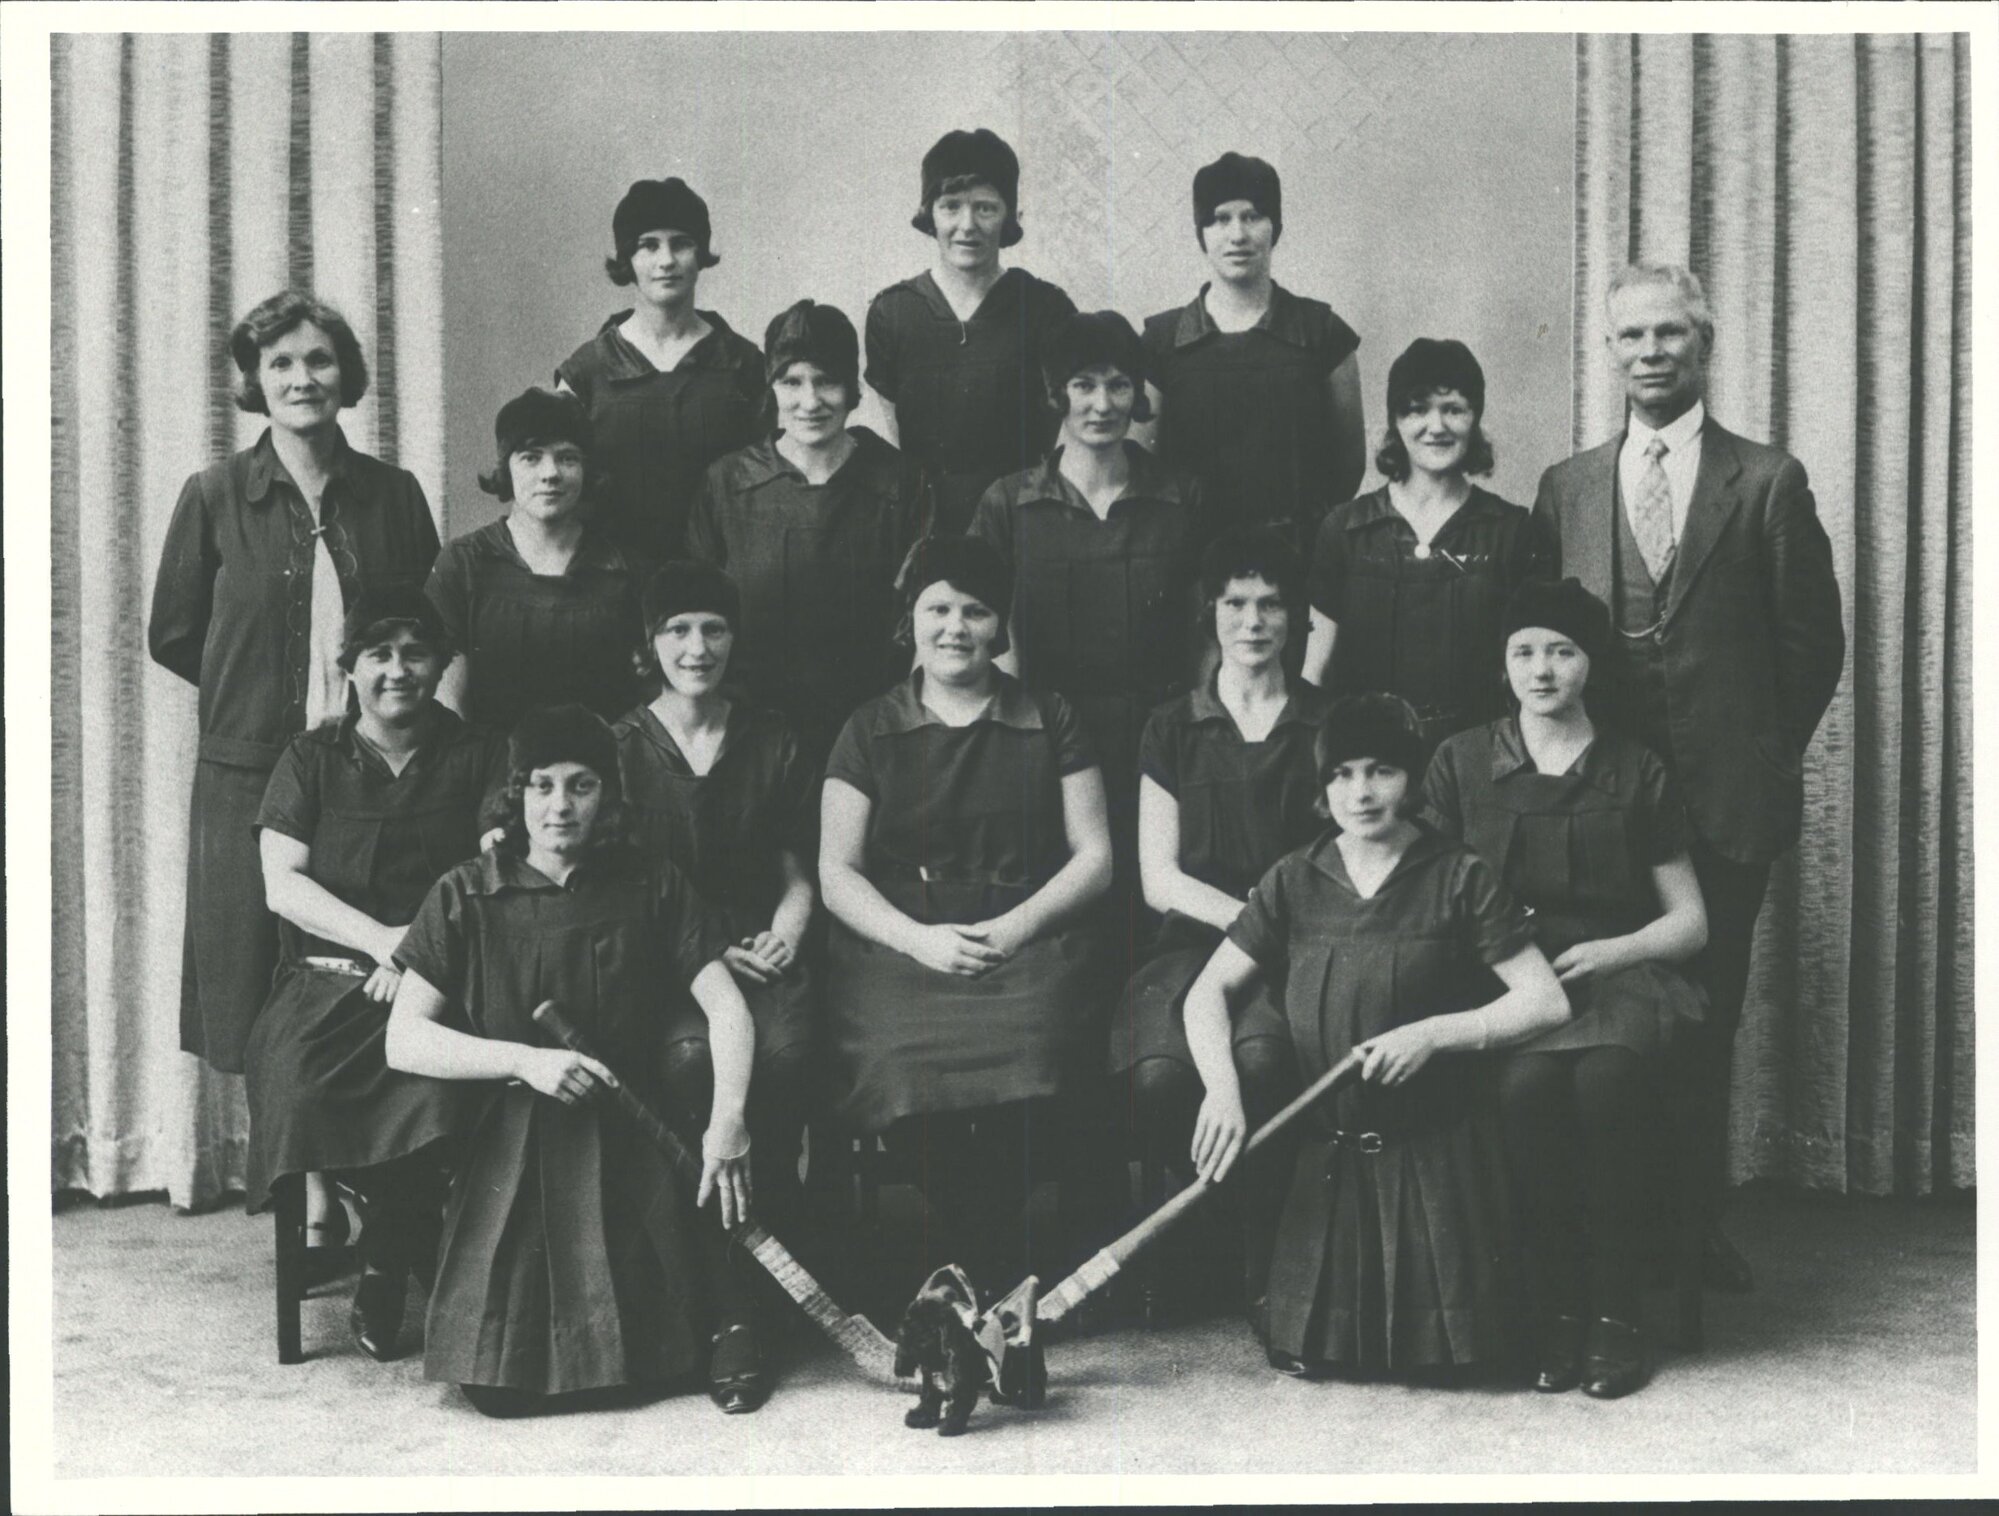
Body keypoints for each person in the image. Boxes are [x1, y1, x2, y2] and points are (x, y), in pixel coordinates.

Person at [1530, 263, 1844, 1291]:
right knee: (1602, 1017)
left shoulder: (1766, 481)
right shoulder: (1567, 487)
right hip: (1595, 805)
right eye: (1631, 336)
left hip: (1722, 807)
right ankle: (1595, 1235)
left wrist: (1753, 754)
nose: (1650, 352)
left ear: (1703, 346)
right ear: (1609, 352)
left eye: (1670, 333)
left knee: (1702, 1019)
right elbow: (1540, 641)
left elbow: (1813, 646)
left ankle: (1690, 1224)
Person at [150, 291, 440, 1262]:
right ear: (255, 380)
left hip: (368, 768)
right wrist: (262, 710)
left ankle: (375, 1172)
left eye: (318, 360)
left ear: (343, 373)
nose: (301, 379)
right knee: (256, 974)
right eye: (281, 365)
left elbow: (425, 624)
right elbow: (177, 632)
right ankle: (311, 1191)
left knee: (358, 969)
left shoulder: (391, 495)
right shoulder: (215, 494)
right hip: (247, 773)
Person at [385, 705, 770, 1416]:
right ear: (515, 796)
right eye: (541, 786)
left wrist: (728, 1120)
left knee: (663, 1364)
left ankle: (726, 1315)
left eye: (581, 786)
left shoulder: (649, 881)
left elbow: (726, 1007)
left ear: (608, 796)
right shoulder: (467, 891)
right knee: (497, 1391)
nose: (560, 806)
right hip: (516, 1133)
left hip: (631, 1122)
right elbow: (404, 1038)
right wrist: (523, 1062)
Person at [1182, 693, 1567, 1380]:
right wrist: (1221, 1090)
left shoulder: (1458, 875)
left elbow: (1543, 1002)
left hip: (1434, 1156)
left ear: (1411, 780)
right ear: (1322, 785)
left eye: (1380, 771)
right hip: (1327, 1164)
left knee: (1451, 1362)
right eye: (1341, 774)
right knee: (1309, 1357)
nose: (1360, 793)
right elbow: (1205, 992)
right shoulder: (1293, 878)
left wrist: (1434, 1034)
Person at [1424, 577, 1709, 1399]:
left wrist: (1616, 952)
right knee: (1523, 1090)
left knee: (1608, 1081)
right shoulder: (1460, 763)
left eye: (1561, 651)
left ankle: (1615, 1314)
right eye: (1523, 652)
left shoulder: (1633, 767)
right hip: (1513, 987)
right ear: (1501, 664)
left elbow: (1689, 922)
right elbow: (1432, 897)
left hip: (1620, 981)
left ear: (1590, 663)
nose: (1541, 670)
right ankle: (1555, 1310)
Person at [819, 536, 1112, 1296]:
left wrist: (1013, 929)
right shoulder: (868, 726)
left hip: (1027, 938)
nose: (955, 627)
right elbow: (835, 870)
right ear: (910, 620)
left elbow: (1095, 857)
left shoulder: (1050, 717)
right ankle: (983, 1269)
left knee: (1038, 1047)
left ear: (1000, 626)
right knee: (901, 1060)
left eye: (975, 611)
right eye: (937, 609)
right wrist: (917, 941)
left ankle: (965, 1277)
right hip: (902, 947)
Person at [242, 587, 507, 1361]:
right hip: (327, 981)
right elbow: (281, 884)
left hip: (440, 977)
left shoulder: (479, 752)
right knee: (298, 1082)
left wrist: (420, 953)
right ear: (350, 667)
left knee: (436, 1081)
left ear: (441, 664)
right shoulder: (312, 758)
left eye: (415, 652)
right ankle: (391, 1231)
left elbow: (495, 863)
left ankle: (388, 1259)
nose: (399, 670)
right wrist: (381, 941)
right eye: (379, 653)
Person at [1108, 528, 1328, 1329]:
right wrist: (1246, 920)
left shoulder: (1323, 726)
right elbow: (1158, 877)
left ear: (1295, 616)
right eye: (1235, 602)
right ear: (1211, 613)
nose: (1252, 620)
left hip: (1297, 948)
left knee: (1265, 1058)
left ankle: (1262, 1256)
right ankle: (1206, 1239)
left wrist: (1274, 930)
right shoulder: (1171, 726)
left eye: (1270, 603)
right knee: (1162, 1076)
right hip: (1190, 944)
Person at [968, 309, 1209, 914]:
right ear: (1056, 394)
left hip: (1162, 736)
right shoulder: (1008, 502)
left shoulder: (1183, 496)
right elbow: (978, 632)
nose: (1102, 404)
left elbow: (1212, 625)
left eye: (1118, 384)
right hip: (1054, 741)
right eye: (1084, 385)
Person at [613, 561, 819, 1230]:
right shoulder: (619, 749)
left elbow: (795, 874)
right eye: (677, 630)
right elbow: (618, 889)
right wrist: (706, 955)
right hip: (665, 959)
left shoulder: (772, 738)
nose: (697, 649)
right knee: (690, 1061)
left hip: (761, 950)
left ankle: (782, 1243)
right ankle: (703, 1254)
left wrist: (786, 934)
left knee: (787, 1059)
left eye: (713, 629)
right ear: (649, 644)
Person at [686, 299, 930, 763]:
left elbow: (917, 619)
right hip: (750, 733)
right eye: (792, 382)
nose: (810, 402)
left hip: (870, 730)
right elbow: (698, 610)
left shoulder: (901, 483)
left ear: (851, 387)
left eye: (827, 381)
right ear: (771, 388)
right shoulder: (728, 483)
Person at [1304, 338, 1553, 752]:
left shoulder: (1511, 531)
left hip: (1481, 762)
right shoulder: (1345, 529)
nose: (1435, 427)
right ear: (1395, 421)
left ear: (1474, 419)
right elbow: (1317, 670)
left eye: (1453, 409)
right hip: (1370, 762)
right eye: (1417, 409)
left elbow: (1529, 674)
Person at [1140, 152, 1365, 556]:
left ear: (1275, 228)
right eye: (1220, 218)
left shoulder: (1322, 333)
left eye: (1253, 216)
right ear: (1201, 232)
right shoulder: (1161, 340)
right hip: (1193, 562)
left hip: (1296, 557)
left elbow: (1347, 467)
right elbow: (1141, 465)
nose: (1237, 235)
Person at [864, 128, 1077, 534]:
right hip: (923, 522)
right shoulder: (893, 313)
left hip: (1023, 520)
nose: (967, 225)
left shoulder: (1047, 310)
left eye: (984, 208)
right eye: (951, 207)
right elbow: (899, 437)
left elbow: (1064, 432)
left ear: (1008, 215)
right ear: (930, 214)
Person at [556, 177, 765, 559]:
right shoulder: (585, 373)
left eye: (681, 243)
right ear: (627, 258)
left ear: (700, 253)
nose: (666, 261)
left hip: (718, 587)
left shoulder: (745, 365)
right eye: (648, 245)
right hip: (612, 586)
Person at [426, 387, 647, 732]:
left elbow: (647, 697)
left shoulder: (625, 569)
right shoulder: (464, 564)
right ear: (506, 469)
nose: (551, 473)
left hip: (601, 773)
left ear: (586, 470)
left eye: (567, 457)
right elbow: (448, 706)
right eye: (531, 457)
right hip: (493, 775)